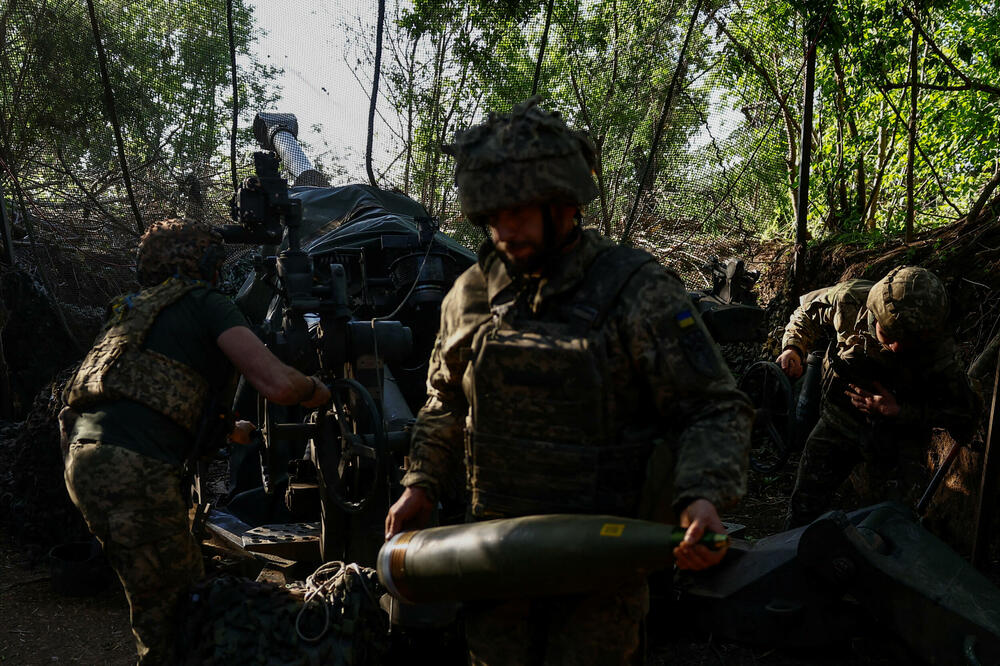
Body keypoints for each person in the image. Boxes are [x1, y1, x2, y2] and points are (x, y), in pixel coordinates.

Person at [385, 98, 752, 665]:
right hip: (494, 555)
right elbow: (444, 400)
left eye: (521, 210)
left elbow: (712, 406)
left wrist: (701, 497)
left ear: (564, 203)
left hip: (600, 564)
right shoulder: (472, 294)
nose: (505, 229)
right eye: (491, 214)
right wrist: (421, 483)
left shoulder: (636, 291)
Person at [61, 219, 331, 665]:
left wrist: (230, 429)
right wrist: (316, 390)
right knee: (173, 615)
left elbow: (147, 395)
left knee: (165, 588)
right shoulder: (206, 303)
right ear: (201, 262)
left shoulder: (130, 310)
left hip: (83, 461)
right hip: (135, 469)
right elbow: (278, 385)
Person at [776, 265, 980, 528]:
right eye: (891, 335)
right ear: (874, 314)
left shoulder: (941, 355)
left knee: (889, 523)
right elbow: (806, 312)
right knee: (805, 503)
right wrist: (793, 347)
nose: (896, 347)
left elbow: (965, 416)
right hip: (839, 419)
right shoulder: (851, 300)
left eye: (908, 342)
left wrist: (899, 411)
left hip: (898, 439)